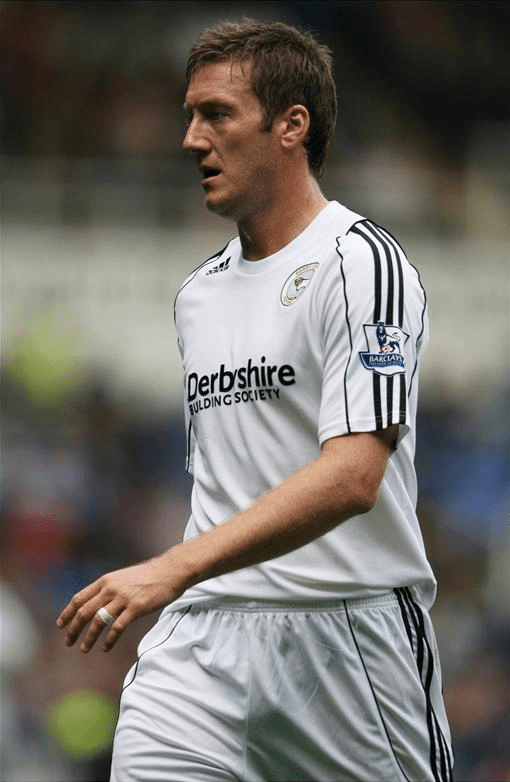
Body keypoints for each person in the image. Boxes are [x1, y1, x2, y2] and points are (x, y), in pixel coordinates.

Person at [57, 19, 454, 782]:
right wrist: (186, 579)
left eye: (216, 114)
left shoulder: (361, 264)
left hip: (344, 639)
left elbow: (354, 477)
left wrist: (171, 566)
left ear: (290, 126)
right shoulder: (197, 295)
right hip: (201, 642)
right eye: (189, 116)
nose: (190, 139)